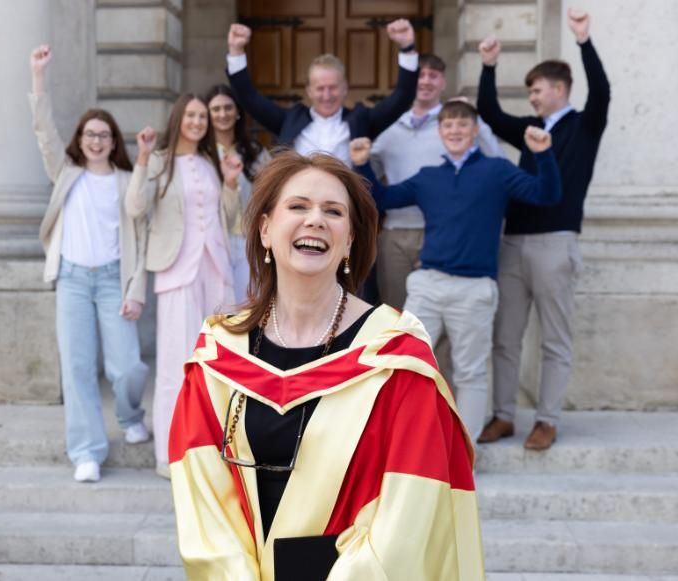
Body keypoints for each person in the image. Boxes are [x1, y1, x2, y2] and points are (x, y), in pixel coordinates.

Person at [167, 151, 484, 580]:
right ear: (265, 229)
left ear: (350, 240)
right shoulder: (219, 354)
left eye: (333, 211)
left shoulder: (394, 357)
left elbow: (408, 515)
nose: (315, 220)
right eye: (297, 206)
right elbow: (203, 502)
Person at [351, 100, 562, 441]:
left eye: (462, 125)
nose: (455, 131)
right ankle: (402, 440)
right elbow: (382, 198)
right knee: (404, 363)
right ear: (440, 132)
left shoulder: (497, 170)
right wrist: (361, 164)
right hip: (428, 284)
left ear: (475, 130)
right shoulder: (428, 177)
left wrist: (543, 155)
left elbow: (546, 194)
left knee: (470, 373)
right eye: (448, 125)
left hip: (474, 288)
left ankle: (463, 454)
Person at [476, 8, 611, 450]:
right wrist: (489, 66)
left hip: (556, 243)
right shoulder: (531, 128)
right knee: (506, 337)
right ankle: (503, 416)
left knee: (555, 338)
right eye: (530, 92)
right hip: (512, 243)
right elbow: (490, 115)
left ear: (559, 89)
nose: (532, 98)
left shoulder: (584, 127)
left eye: (536, 90)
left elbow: (603, 93)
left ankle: (547, 419)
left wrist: (584, 41)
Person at [29, 45, 150, 483]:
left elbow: (141, 227)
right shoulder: (66, 175)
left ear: (113, 142)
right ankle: (86, 450)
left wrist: (134, 290)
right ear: (79, 140)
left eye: (104, 135)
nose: (96, 140)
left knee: (128, 365)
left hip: (113, 281)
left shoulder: (123, 181)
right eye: (89, 134)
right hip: (74, 280)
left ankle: (129, 412)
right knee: (77, 366)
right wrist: (39, 78)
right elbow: (44, 131)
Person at [126, 94, 242, 478]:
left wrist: (229, 184)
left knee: (219, 362)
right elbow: (135, 207)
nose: (198, 121)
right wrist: (142, 159)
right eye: (191, 115)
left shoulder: (211, 162)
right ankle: (169, 453)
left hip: (216, 269)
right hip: (177, 270)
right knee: (176, 362)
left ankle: (213, 451)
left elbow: (226, 216)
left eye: (202, 116)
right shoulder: (158, 161)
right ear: (178, 119)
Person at [370, 53, 506, 311]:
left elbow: (496, 160)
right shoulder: (386, 127)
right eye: (420, 75)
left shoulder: (455, 124)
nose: (425, 81)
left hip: (442, 235)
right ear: (409, 81)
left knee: (438, 321)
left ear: (443, 82)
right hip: (395, 234)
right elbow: (368, 177)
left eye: (433, 75)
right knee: (395, 315)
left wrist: (478, 119)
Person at [225, 20, 418, 164]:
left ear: (345, 88)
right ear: (309, 91)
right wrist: (236, 50)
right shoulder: (290, 119)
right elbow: (249, 98)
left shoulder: (361, 120)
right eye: (320, 88)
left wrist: (407, 47)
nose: (326, 95)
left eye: (333, 87)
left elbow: (402, 98)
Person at [206, 84, 272, 303]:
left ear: (237, 112)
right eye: (215, 109)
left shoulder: (254, 151)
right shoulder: (202, 154)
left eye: (228, 108)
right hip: (214, 241)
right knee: (217, 308)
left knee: (249, 306)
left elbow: (272, 193)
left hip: (247, 241)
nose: (222, 114)